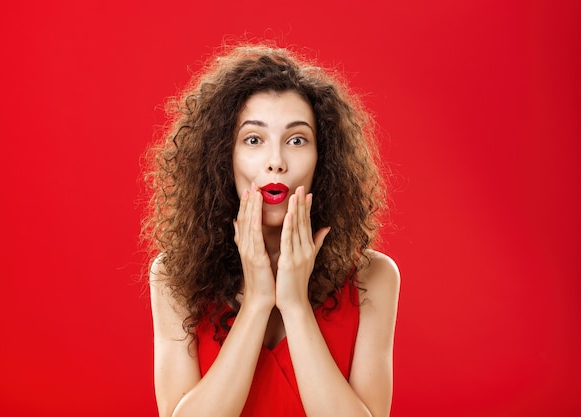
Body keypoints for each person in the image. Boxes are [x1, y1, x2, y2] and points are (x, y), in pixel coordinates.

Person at [142, 43, 400, 417]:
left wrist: (294, 305)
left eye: (297, 140)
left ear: (323, 158)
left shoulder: (374, 277)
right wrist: (259, 302)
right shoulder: (172, 276)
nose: (276, 162)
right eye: (253, 140)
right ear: (222, 157)